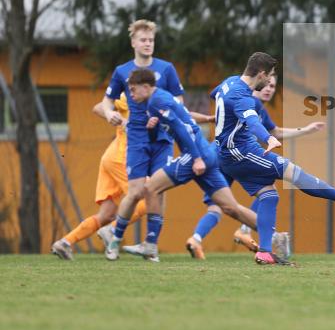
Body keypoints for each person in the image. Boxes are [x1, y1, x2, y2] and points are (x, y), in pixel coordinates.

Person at [214, 52, 335, 265]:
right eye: (268, 76)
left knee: (269, 195)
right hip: (240, 153)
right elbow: (252, 121)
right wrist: (268, 139)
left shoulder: (229, 83)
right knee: (291, 171)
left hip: (231, 153)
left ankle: (265, 252)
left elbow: (216, 96)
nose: (270, 81)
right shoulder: (242, 97)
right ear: (260, 74)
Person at [106, 69, 261, 263]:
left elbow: (182, 128)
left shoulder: (157, 101)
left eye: (133, 89)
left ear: (146, 87)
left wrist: (196, 158)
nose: (131, 94)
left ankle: (150, 244)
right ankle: (275, 237)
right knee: (230, 207)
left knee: (151, 188)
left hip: (196, 153)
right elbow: (183, 118)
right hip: (206, 153)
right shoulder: (156, 101)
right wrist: (153, 128)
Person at [187, 74, 323, 259]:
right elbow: (267, 132)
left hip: (222, 156)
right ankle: (250, 233)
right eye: (267, 83)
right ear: (258, 80)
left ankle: (196, 239)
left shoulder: (251, 103)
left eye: (273, 86)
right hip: (228, 157)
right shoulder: (246, 100)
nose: (269, 88)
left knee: (222, 205)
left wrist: (304, 130)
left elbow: (275, 132)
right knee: (266, 188)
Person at [99, 20, 184, 260]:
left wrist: (164, 116)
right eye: (143, 40)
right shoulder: (121, 71)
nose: (148, 44)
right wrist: (109, 113)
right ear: (134, 42)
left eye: (151, 40)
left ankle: (151, 245)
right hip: (136, 137)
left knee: (158, 189)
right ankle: (115, 238)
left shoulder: (166, 69)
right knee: (136, 192)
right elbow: (107, 100)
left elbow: (179, 102)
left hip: (163, 139)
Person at [50, 94, 147, 259]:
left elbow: (180, 113)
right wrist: (112, 116)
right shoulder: (133, 95)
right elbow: (99, 107)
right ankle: (113, 230)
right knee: (149, 199)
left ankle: (65, 243)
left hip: (112, 157)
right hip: (121, 157)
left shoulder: (156, 97)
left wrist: (206, 119)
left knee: (106, 214)